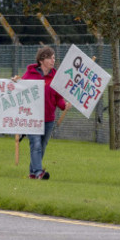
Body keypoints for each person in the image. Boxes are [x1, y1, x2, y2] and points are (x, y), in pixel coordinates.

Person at [21, 46, 70, 180]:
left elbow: (58, 97)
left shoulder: (56, 76)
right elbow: (20, 90)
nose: (53, 60)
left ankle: (33, 173)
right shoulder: (30, 74)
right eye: (50, 58)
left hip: (49, 119)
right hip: (32, 118)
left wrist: (64, 105)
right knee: (35, 144)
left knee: (41, 146)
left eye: (54, 58)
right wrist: (15, 82)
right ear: (42, 59)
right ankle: (38, 172)